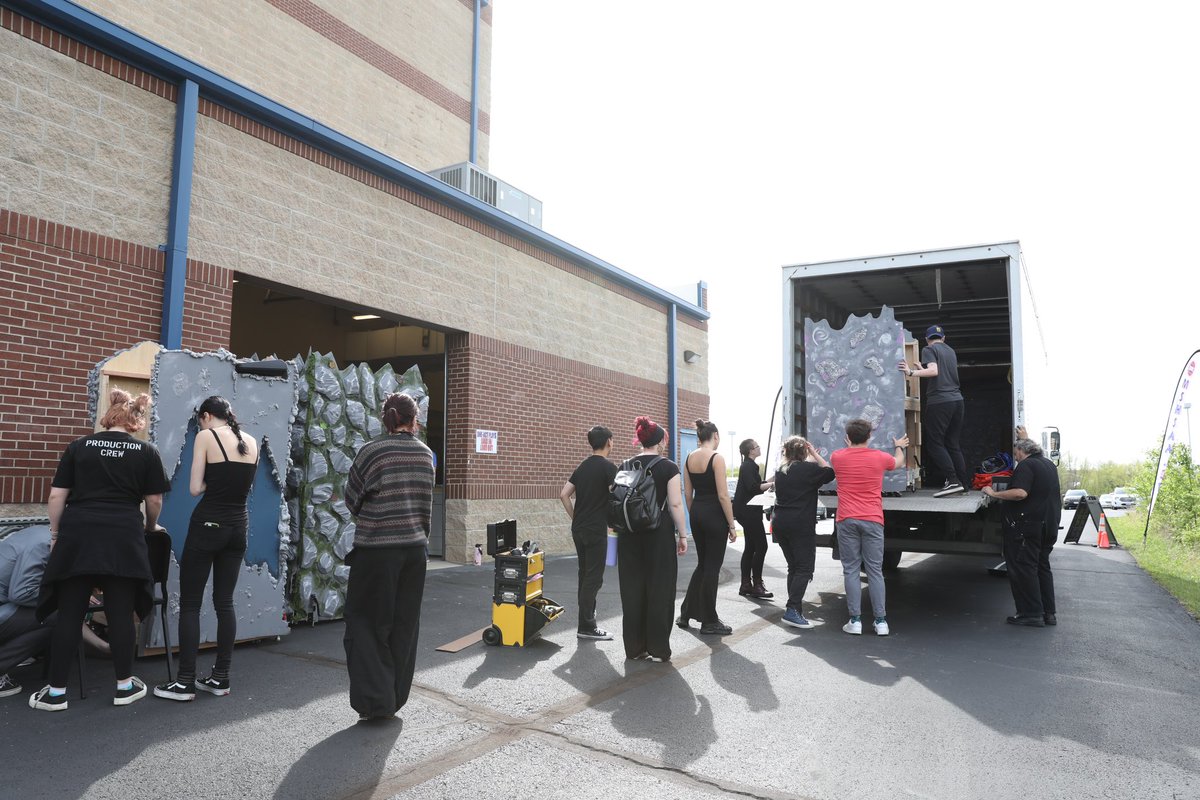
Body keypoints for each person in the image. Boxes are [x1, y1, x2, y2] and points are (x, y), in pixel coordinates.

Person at [30, 389, 171, 711]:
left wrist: (55, 535)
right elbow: (155, 500)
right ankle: (124, 686)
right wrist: (149, 528)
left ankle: (54, 693)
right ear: (136, 421)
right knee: (121, 614)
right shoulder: (146, 451)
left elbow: (56, 497)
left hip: (78, 536)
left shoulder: (79, 447)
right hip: (122, 537)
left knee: (70, 613)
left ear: (108, 417)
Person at [154, 396, 258, 702]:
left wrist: (214, 479)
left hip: (208, 524)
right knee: (224, 602)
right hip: (238, 527)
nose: (200, 424)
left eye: (200, 419)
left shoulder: (206, 436)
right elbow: (242, 486)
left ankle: (184, 682)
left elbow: (195, 488)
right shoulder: (251, 442)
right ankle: (220, 678)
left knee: (190, 604)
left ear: (207, 416)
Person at [343, 392, 434, 721]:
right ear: (414, 419)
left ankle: (374, 701)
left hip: (376, 550)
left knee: (365, 622)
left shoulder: (372, 451)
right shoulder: (426, 455)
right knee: (403, 624)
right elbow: (426, 507)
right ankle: (393, 697)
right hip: (415, 552)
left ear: (387, 418)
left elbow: (351, 497)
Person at [617, 416, 688, 662]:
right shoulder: (668, 467)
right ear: (659, 442)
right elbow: (676, 504)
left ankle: (635, 649)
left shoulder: (624, 465)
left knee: (632, 590)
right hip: (658, 534)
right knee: (660, 589)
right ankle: (658, 648)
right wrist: (683, 534)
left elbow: (618, 501)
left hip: (629, 535)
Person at [830, 419, 909, 636]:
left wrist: (849, 447)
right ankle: (881, 622)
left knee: (851, 570)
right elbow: (899, 462)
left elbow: (843, 457)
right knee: (875, 570)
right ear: (869, 436)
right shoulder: (880, 458)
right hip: (873, 519)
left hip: (846, 519)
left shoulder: (837, 456)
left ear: (848, 437)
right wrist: (899, 446)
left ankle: (855, 621)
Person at [981, 437, 1061, 627]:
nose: (1015, 457)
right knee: (1042, 568)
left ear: (1021, 451)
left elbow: (1020, 493)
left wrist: (993, 494)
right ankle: (1048, 613)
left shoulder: (1026, 466)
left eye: (1016, 452)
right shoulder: (1048, 465)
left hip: (1028, 527)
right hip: (1047, 525)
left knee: (1024, 569)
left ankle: (1030, 613)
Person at [678, 420, 738, 636]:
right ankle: (710, 620)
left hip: (697, 512)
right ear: (716, 436)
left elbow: (687, 493)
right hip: (714, 514)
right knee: (712, 567)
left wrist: (695, 512)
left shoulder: (688, 458)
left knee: (703, 565)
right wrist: (731, 525)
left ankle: (685, 613)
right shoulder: (717, 458)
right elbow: (723, 495)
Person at [560, 425, 618, 641]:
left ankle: (587, 618)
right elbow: (618, 497)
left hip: (579, 528)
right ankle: (587, 626)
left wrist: (575, 517)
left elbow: (564, 494)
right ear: (609, 442)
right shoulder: (608, 468)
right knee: (593, 578)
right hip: (595, 529)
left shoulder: (582, 466)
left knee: (584, 574)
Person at [770, 437, 835, 629]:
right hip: (800, 525)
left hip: (781, 523)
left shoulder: (780, 471)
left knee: (794, 567)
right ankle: (792, 610)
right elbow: (830, 472)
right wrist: (815, 453)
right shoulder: (808, 470)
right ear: (803, 452)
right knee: (805, 569)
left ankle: (795, 609)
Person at [899, 324, 969, 497]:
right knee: (952, 443)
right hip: (957, 401)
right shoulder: (950, 351)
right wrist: (924, 370)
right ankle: (963, 484)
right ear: (943, 338)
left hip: (940, 402)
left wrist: (911, 372)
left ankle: (952, 481)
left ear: (927, 339)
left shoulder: (929, 349)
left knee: (935, 443)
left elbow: (934, 371)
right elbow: (940, 374)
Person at [0, 525, 53, 698]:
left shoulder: (41, 531)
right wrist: (63, 597)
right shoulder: (43, 544)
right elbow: (21, 594)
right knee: (59, 617)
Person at [733, 439, 774, 599]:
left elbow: (757, 484)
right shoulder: (748, 466)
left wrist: (772, 479)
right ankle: (757, 584)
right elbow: (754, 488)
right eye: (757, 446)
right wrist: (771, 484)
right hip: (748, 511)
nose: (759, 447)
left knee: (750, 547)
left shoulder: (748, 466)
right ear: (751, 451)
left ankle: (745, 585)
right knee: (761, 547)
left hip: (746, 510)